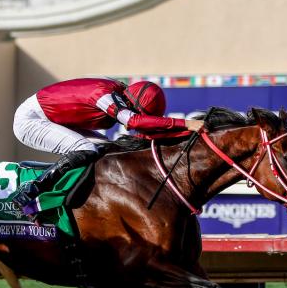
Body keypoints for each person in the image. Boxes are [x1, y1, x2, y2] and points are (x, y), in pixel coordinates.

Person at [11, 78, 204, 216]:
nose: (128, 128)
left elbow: (149, 132)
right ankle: (31, 190)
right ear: (131, 103)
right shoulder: (105, 96)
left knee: (110, 150)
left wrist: (191, 134)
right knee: (85, 149)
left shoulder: (123, 94)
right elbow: (133, 121)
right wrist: (187, 124)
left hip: (55, 119)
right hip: (31, 120)